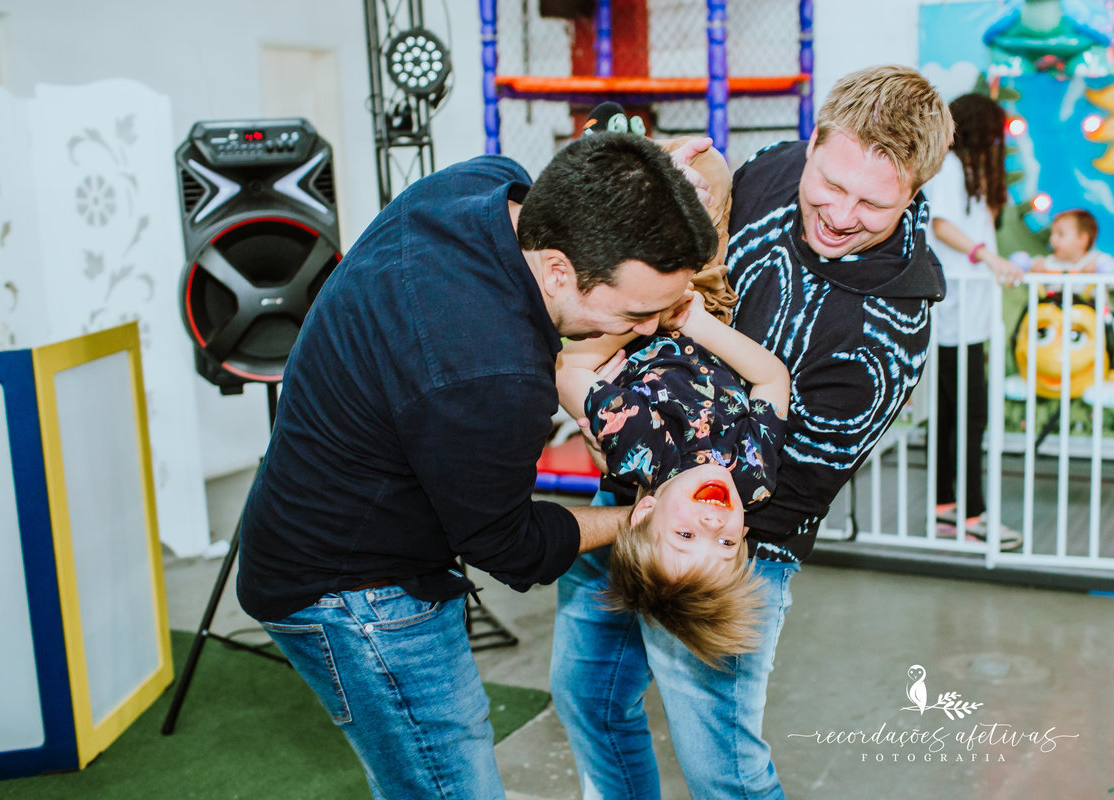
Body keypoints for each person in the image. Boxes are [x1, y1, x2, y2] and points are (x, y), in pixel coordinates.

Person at [234, 131, 718, 800]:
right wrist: (639, 517)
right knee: (448, 783)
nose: (646, 330)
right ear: (556, 271)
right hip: (351, 592)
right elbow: (509, 546)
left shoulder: (485, 187)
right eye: (636, 314)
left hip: (306, 519)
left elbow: (589, 160)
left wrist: (645, 173)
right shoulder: (492, 373)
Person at [550, 64, 954, 799]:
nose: (839, 212)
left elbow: (789, 487)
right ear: (813, 141)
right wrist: (662, 198)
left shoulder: (887, 338)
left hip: (737, 539)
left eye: (873, 203)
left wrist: (669, 493)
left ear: (914, 191)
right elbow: (689, 265)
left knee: (721, 768)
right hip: (633, 496)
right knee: (588, 697)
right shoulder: (771, 172)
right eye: (830, 181)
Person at [554, 289, 790, 665]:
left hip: (638, 308)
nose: (713, 522)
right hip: (710, 308)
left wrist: (648, 315)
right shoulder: (753, 478)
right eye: (726, 544)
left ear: (645, 511)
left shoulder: (640, 448)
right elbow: (773, 380)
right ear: (744, 533)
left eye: (686, 536)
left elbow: (567, 371)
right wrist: (697, 324)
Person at [925, 92, 1023, 550]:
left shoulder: (972, 174)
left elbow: (978, 224)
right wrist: (988, 258)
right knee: (969, 416)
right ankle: (973, 514)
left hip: (970, 316)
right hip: (955, 316)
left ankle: (948, 508)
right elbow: (941, 225)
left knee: (954, 415)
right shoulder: (947, 169)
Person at [1030, 208, 1114, 299]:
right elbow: (1029, 269)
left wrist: (1100, 269)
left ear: (1082, 239)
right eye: (1052, 234)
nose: (1052, 239)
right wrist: (1035, 267)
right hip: (1054, 310)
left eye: (1060, 234)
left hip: (1089, 311)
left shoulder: (1096, 260)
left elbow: (1110, 271)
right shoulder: (1052, 262)